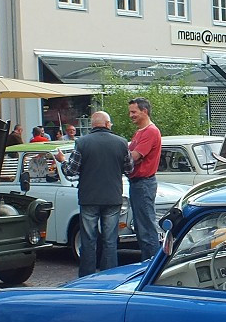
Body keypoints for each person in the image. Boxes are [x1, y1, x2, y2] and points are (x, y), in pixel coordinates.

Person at [56, 111, 131, 277]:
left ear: (93, 125)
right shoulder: (121, 143)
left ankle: (87, 276)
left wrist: (62, 160)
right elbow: (129, 169)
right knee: (110, 240)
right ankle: (110, 276)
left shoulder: (82, 143)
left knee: (89, 239)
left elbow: (71, 171)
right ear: (106, 124)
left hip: (89, 197)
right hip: (113, 196)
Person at [125, 98, 162, 262]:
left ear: (144, 111)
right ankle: (148, 262)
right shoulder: (140, 132)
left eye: (134, 112)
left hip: (144, 183)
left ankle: (152, 263)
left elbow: (134, 156)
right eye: (130, 112)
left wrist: (119, 156)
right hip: (137, 183)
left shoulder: (150, 131)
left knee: (147, 227)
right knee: (141, 228)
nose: (130, 115)